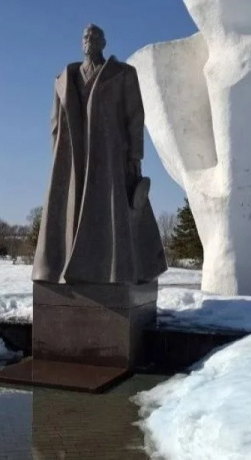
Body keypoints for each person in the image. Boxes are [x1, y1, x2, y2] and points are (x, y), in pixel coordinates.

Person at [32, 24, 167, 285]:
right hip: (73, 160)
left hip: (109, 156)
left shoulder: (123, 74)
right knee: (69, 214)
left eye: (94, 37)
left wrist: (135, 155)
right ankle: (60, 270)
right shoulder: (64, 79)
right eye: (85, 36)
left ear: (103, 43)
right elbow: (54, 123)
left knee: (113, 214)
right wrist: (59, 161)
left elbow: (135, 117)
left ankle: (114, 272)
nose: (89, 40)